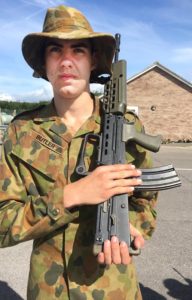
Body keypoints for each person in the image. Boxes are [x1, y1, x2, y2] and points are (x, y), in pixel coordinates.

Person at [0, 5, 158, 300]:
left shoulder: (127, 126)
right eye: (56, 50)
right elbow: (2, 223)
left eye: (79, 51)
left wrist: (133, 227)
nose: (67, 61)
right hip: (48, 291)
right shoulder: (22, 132)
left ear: (93, 59)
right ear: (44, 63)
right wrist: (72, 195)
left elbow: (145, 200)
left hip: (114, 288)